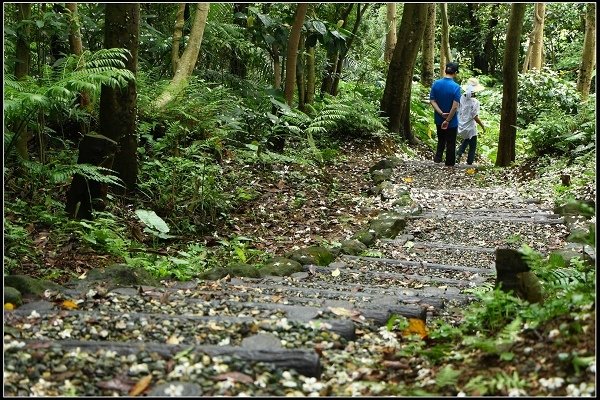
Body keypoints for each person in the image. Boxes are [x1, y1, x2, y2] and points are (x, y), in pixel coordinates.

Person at [429, 62, 461, 167]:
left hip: (439, 119)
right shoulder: (456, 87)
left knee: (441, 139)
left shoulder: (436, 84)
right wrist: (448, 120)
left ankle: (437, 160)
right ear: (455, 73)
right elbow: (455, 106)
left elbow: (432, 100)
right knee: (451, 143)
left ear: (445, 71)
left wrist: (441, 113)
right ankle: (449, 165)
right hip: (452, 122)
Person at [456, 77, 486, 165]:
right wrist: (482, 126)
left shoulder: (461, 98)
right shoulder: (475, 102)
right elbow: (475, 117)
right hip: (470, 126)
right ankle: (469, 162)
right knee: (473, 144)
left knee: (467, 139)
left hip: (461, 124)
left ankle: (458, 154)